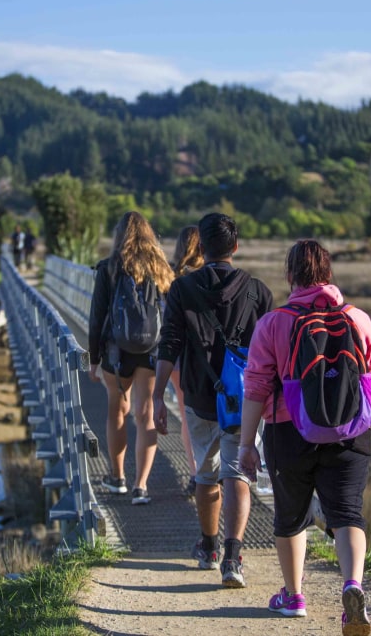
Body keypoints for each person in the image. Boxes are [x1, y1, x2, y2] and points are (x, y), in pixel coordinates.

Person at [237, 239, 371, 634]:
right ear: (329, 273)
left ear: (290, 276)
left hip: (289, 432)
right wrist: (352, 415)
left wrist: (245, 444)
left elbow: (255, 387)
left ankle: (294, 595)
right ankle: (353, 584)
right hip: (351, 435)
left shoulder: (273, 323)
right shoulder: (358, 318)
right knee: (347, 514)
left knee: (291, 516)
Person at [152, 212, 273, 588]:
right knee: (236, 473)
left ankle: (208, 547)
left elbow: (169, 344)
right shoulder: (258, 292)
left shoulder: (182, 289)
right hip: (246, 399)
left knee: (206, 474)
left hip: (201, 397)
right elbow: (271, 352)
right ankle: (234, 557)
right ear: (235, 247)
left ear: (201, 248)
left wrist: (157, 396)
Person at [88, 211, 173, 506]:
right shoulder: (160, 267)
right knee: (146, 412)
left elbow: (97, 316)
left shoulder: (110, 268)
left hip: (116, 350)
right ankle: (141, 486)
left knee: (117, 409)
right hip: (152, 349)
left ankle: (118, 477)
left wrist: (93, 359)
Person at [168, 225, 205, 496]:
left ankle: (196, 474)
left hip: (178, 357)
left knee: (187, 415)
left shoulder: (169, 276)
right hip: (208, 356)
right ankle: (213, 472)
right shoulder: (210, 274)